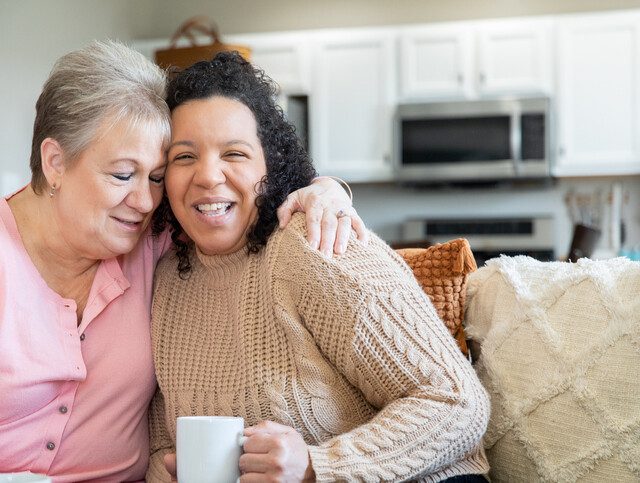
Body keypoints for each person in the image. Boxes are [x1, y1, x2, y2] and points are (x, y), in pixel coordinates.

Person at [0, 40, 366, 482]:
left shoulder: (151, 239)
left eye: (156, 177)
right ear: (55, 162)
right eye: (121, 174)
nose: (143, 201)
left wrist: (327, 189)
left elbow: (237, 200)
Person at [148, 51, 491, 483]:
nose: (207, 176)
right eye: (183, 157)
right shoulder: (167, 282)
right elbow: (163, 444)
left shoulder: (313, 244)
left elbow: (456, 403)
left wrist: (317, 466)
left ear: (269, 169)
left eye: (234, 153)